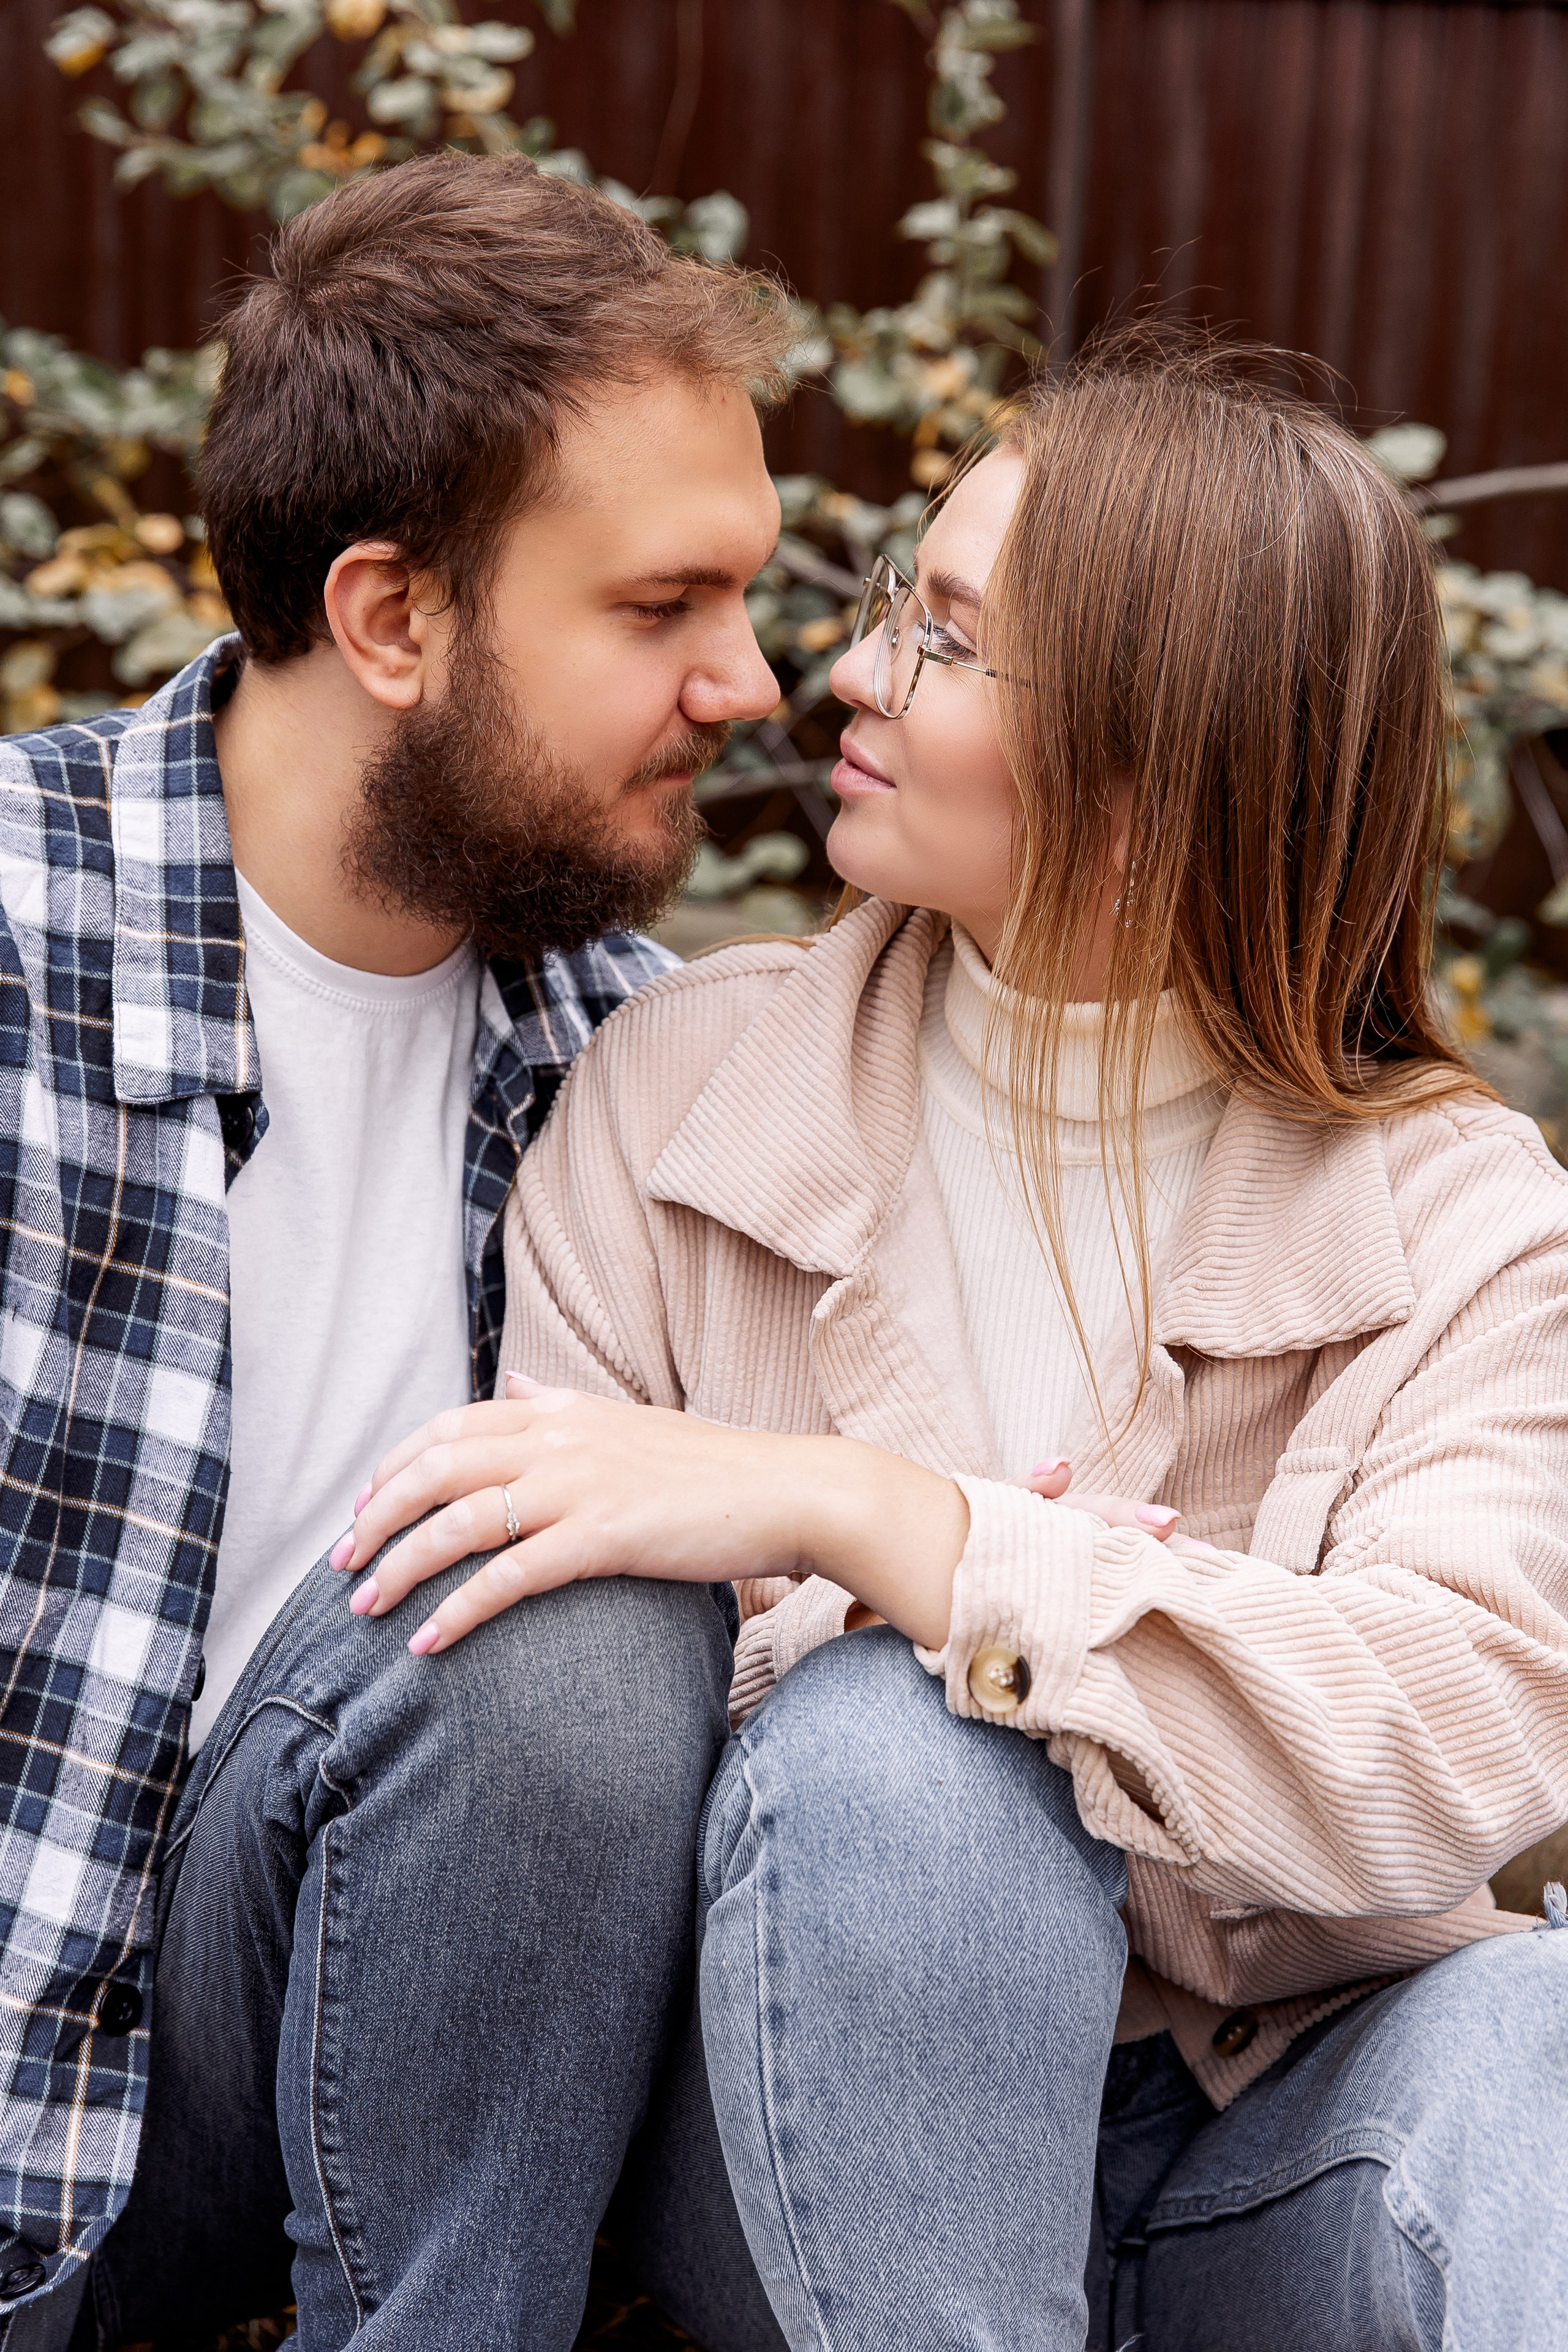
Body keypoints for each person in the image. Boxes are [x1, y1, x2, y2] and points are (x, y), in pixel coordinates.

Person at [351, 334, 1568, 2351]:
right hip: (793, 2130)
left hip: (1287, 2131)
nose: (848, 676)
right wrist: (1109, 1652)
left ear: (1158, 747)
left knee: (1538, 2031)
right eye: (895, 612)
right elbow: (584, 1741)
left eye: (942, 639)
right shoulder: (673, 1102)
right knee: (898, 1768)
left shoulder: (1469, 1220)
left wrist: (885, 1520)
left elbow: (1451, 1743)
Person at [0, 151, 796, 2351]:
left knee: (575, 1599)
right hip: (19, 2118)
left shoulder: (635, 1055)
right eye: (662, 609)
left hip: (335, 2088)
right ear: (391, 616)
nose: (750, 680)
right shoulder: (17, 946)